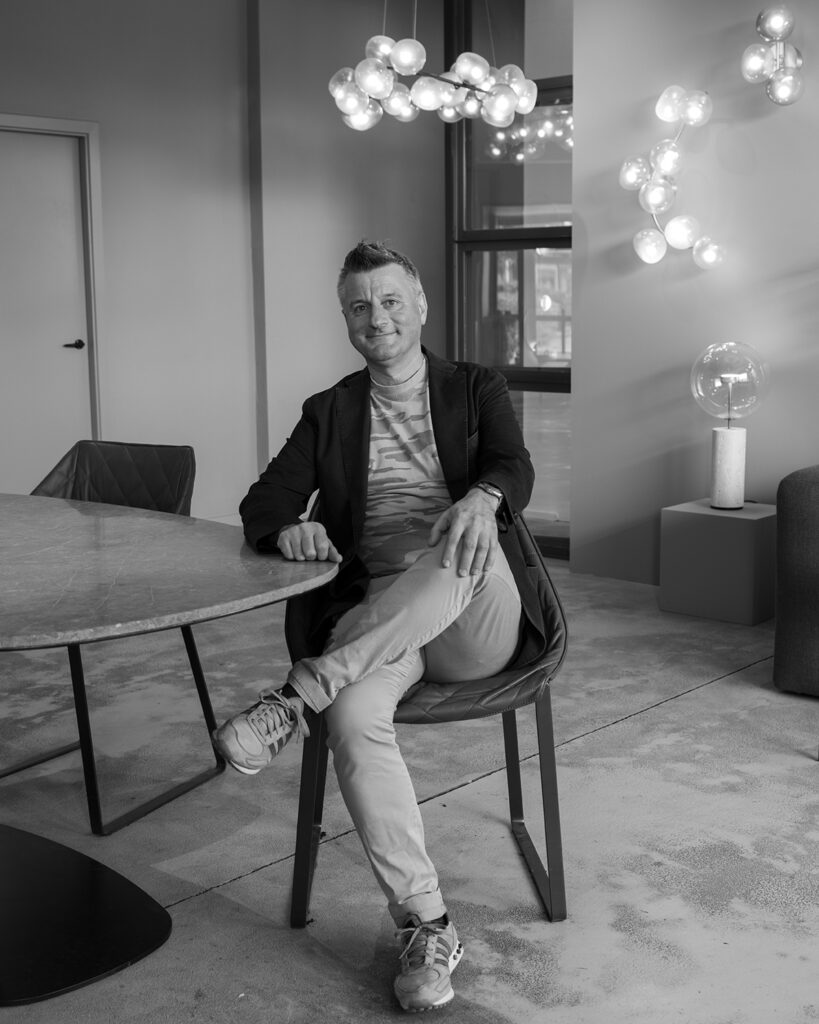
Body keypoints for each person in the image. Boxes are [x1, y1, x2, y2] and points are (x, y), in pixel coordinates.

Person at [213, 240, 550, 1013]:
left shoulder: (474, 387)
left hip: (474, 613)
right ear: (346, 319)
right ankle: (426, 924)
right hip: (383, 617)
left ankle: (296, 696)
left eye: (391, 301)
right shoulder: (329, 412)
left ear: (419, 305)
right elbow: (263, 503)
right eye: (360, 306)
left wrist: (482, 500)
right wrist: (290, 528)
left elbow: (514, 463)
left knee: (460, 548)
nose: (378, 318)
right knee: (353, 719)